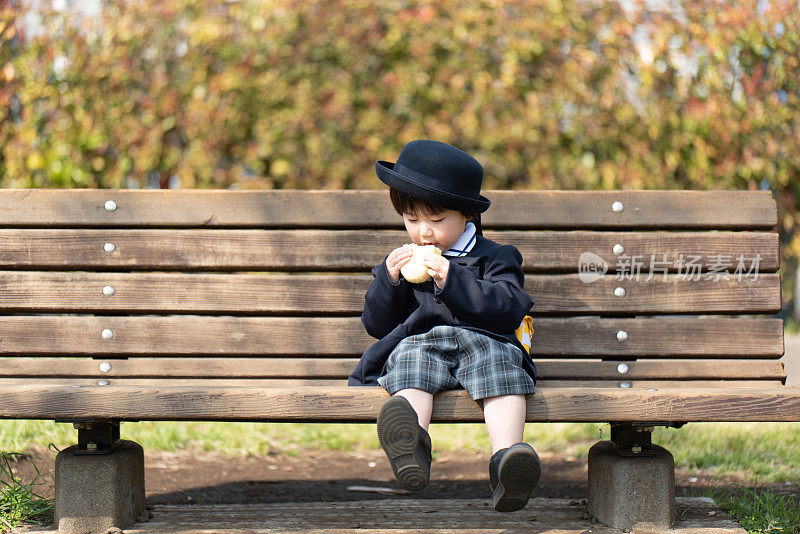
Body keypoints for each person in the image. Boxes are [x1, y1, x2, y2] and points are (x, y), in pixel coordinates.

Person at [348, 140, 540, 512]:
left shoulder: (495, 257)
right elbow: (376, 325)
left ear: (466, 215)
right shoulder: (402, 266)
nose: (423, 232)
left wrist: (453, 279)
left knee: (501, 367)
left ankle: (508, 460)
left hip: (485, 342)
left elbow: (507, 309)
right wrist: (388, 282)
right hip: (424, 345)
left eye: (436, 221)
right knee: (408, 361)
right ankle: (412, 445)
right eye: (412, 220)